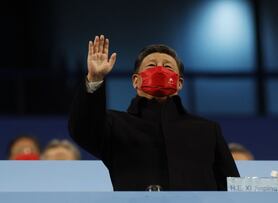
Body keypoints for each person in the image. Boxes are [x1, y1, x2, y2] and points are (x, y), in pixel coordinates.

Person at [69, 35, 239, 191]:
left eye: (167, 66)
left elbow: (232, 186)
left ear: (179, 83)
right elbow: (82, 129)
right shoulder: (115, 125)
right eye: (151, 65)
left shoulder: (207, 130)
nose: (159, 69)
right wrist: (95, 79)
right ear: (136, 81)